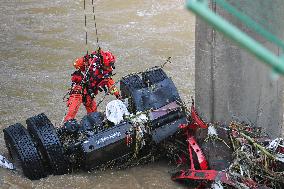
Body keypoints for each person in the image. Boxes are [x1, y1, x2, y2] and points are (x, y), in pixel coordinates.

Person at [63, 48, 121, 126]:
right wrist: (85, 61)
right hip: (79, 88)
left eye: (112, 64)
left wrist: (118, 95)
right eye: (109, 65)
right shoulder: (90, 62)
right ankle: (67, 127)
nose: (111, 67)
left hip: (89, 92)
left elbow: (111, 86)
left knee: (93, 112)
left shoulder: (106, 73)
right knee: (73, 109)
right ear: (104, 63)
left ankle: (94, 127)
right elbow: (76, 64)